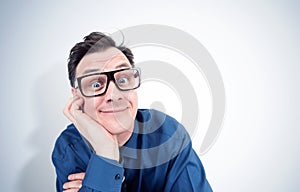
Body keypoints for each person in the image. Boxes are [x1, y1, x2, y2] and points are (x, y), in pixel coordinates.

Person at [52, 31, 213, 192]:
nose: (114, 95)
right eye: (95, 84)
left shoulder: (169, 135)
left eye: (122, 80)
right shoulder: (69, 147)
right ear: (76, 97)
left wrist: (100, 182)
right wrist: (106, 151)